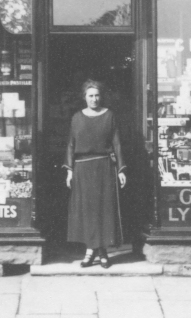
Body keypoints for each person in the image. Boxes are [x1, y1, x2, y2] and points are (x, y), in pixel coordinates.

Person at [64, 79, 126, 268]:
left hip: (104, 167)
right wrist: (69, 171)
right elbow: (71, 144)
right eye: (90, 96)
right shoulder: (76, 117)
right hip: (82, 168)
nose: (94, 99)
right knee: (87, 210)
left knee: (104, 210)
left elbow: (116, 143)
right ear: (84, 97)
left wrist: (122, 169)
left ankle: (103, 251)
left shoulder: (109, 116)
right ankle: (90, 251)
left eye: (97, 95)